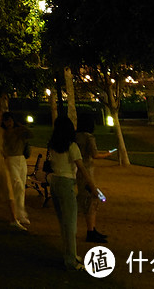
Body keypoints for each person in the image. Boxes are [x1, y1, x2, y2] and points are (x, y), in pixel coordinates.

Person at [48, 115, 102, 271]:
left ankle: (69, 254)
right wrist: (93, 187)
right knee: (70, 224)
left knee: (63, 222)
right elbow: (82, 169)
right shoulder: (72, 146)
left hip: (55, 182)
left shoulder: (53, 145)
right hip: (66, 183)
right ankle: (71, 260)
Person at [75, 114, 111, 243]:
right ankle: (91, 231)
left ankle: (92, 229)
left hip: (78, 171)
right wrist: (106, 154)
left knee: (90, 197)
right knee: (92, 198)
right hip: (87, 170)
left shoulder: (75, 136)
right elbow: (94, 154)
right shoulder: (89, 137)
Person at [1, 111, 32, 227]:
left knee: (21, 186)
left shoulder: (19, 131)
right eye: (6, 121)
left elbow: (30, 135)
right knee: (17, 184)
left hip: (21, 159)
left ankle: (21, 213)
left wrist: (21, 126)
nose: (8, 123)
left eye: (9, 120)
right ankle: (17, 212)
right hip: (10, 160)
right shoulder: (4, 133)